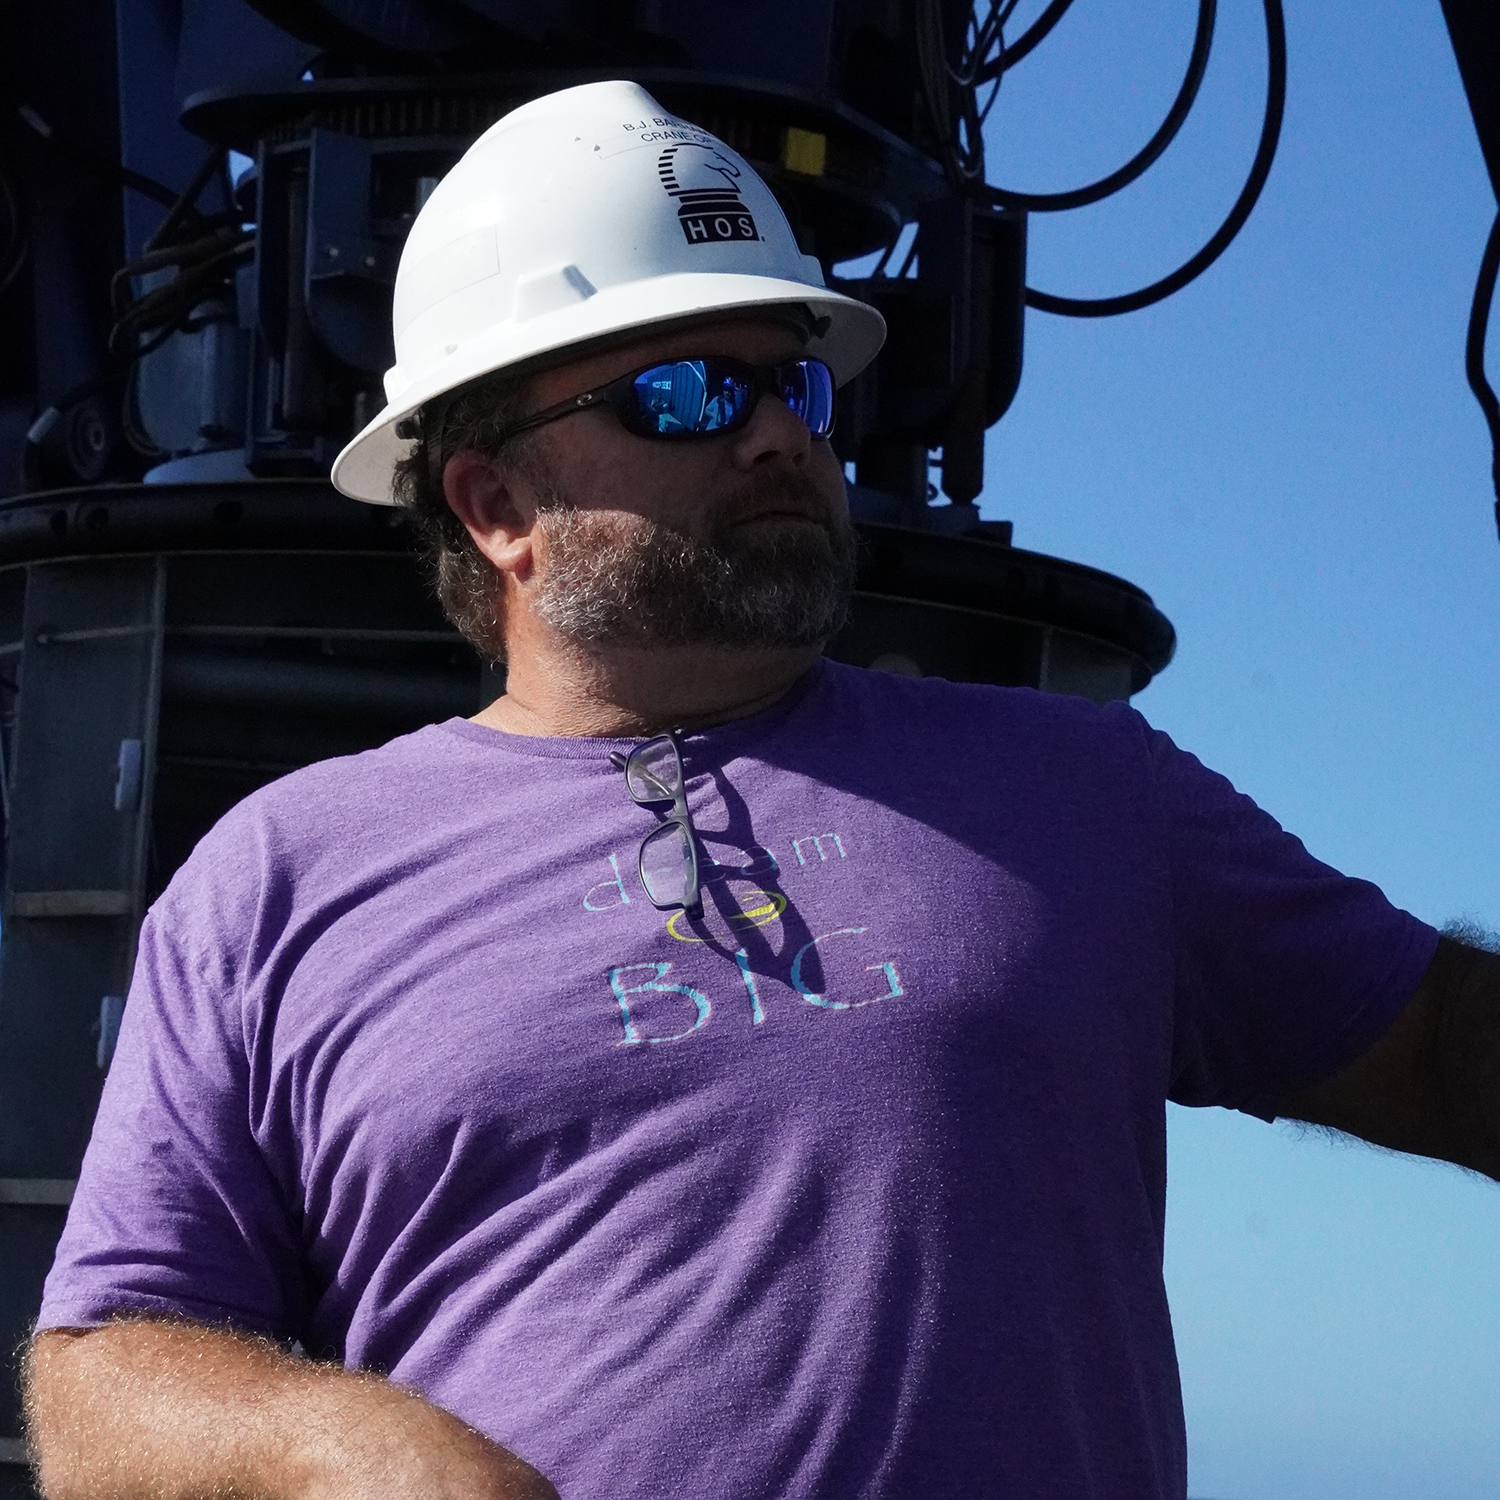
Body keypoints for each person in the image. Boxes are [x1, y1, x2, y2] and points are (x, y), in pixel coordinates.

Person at [24, 80, 1499, 1500]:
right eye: (686, 393)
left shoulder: (1092, 791)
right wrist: (327, 1444)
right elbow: (98, 1394)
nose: (781, 432)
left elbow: (1447, 1055)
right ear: (496, 505)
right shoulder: (277, 877)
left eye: (792, 382)